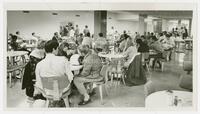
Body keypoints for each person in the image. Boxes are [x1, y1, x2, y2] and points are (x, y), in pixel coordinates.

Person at [34, 40, 74, 106]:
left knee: (51, 83)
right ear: (53, 49)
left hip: (47, 92)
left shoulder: (39, 64)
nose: (58, 50)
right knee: (68, 81)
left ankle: (53, 100)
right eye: (57, 48)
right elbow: (71, 77)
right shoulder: (63, 60)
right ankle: (61, 101)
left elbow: (38, 81)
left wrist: (45, 90)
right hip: (63, 90)